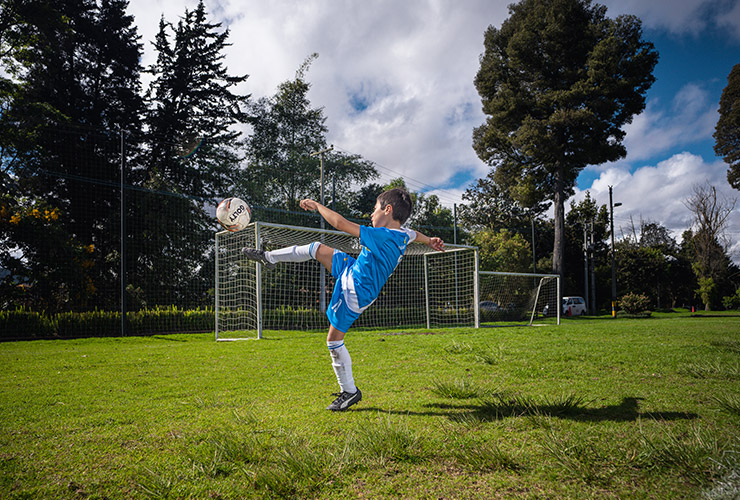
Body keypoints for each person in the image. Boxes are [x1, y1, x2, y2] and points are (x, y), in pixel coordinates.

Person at [242, 188, 445, 411]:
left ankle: (349, 391)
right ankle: (268, 257)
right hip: (354, 270)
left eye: (374, 209)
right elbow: (414, 234)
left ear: (388, 210)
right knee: (316, 248)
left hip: (356, 291)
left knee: (333, 340)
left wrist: (317, 206)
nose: (371, 214)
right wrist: (429, 241)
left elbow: (340, 223)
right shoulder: (402, 235)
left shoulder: (383, 235)